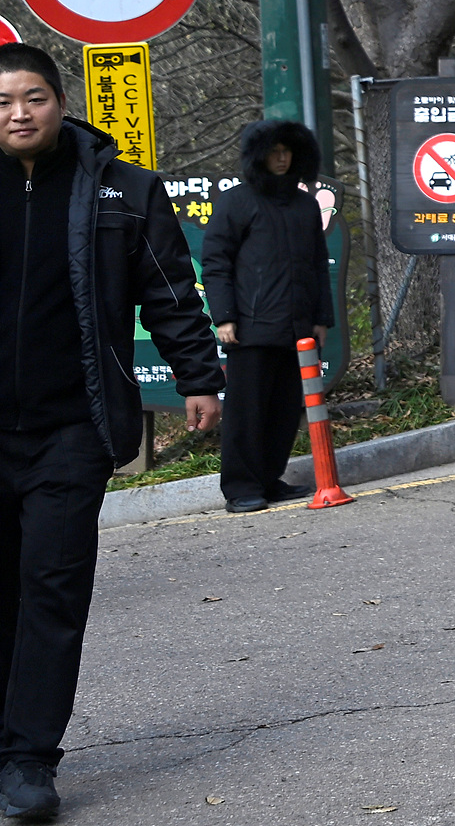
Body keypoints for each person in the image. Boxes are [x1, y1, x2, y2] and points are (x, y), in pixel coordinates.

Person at [0, 44, 221, 820]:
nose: (19, 113)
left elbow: (167, 290)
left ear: (61, 103)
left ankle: (27, 758)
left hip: (73, 426)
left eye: (33, 97)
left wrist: (198, 375)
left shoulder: (120, 190)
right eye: (2, 102)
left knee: (52, 589)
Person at [202, 119, 332, 516]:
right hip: (250, 329)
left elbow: (316, 266)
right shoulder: (237, 202)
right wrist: (224, 317)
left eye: (287, 151)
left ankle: (269, 479)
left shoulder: (305, 204)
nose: (281, 158)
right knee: (246, 412)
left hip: (296, 328)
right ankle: (240, 487)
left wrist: (321, 319)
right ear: (258, 155)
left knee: (284, 409)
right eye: (273, 151)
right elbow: (216, 262)